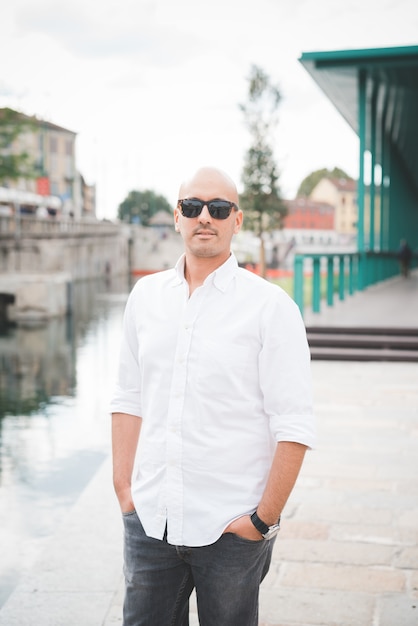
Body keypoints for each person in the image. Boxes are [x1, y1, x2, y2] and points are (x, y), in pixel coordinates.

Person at [110, 166, 315, 626]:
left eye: (218, 208)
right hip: (150, 520)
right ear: (177, 216)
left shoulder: (271, 307)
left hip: (231, 528)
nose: (205, 216)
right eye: (193, 206)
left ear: (236, 221)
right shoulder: (145, 297)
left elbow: (294, 424)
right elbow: (127, 398)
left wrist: (261, 522)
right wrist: (125, 490)